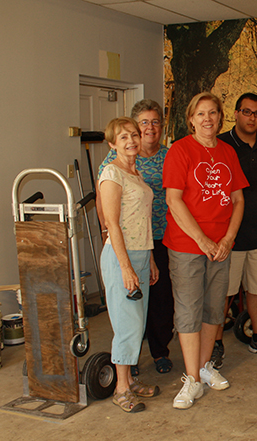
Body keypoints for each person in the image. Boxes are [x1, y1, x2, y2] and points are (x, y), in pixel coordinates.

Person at [163, 92, 248, 409]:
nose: (207, 119)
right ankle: (191, 380)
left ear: (220, 117)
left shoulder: (228, 152)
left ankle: (204, 366)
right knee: (188, 310)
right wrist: (203, 241)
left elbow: (238, 200)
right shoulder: (180, 150)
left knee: (214, 309)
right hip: (188, 245)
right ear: (191, 119)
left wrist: (226, 240)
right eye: (200, 113)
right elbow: (174, 200)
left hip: (221, 246)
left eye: (212, 113)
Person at [97, 99, 174, 376]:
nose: (148, 128)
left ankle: (155, 355)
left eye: (155, 122)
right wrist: (108, 233)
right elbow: (107, 208)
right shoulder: (114, 165)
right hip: (126, 246)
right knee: (128, 314)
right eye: (143, 123)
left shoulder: (155, 163)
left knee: (154, 305)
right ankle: (125, 375)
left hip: (155, 242)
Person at [214, 92, 257, 361]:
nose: (252, 118)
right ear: (235, 113)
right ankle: (216, 342)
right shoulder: (221, 145)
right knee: (223, 293)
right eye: (247, 112)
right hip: (228, 236)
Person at [99, 116, 160, 412]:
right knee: (126, 324)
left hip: (140, 254)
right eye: (123, 137)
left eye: (134, 135)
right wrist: (125, 266)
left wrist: (148, 259)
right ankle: (121, 388)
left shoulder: (136, 174)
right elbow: (112, 222)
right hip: (120, 256)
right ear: (112, 143)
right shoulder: (111, 173)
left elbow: (141, 221)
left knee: (138, 322)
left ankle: (131, 380)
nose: (131, 141)